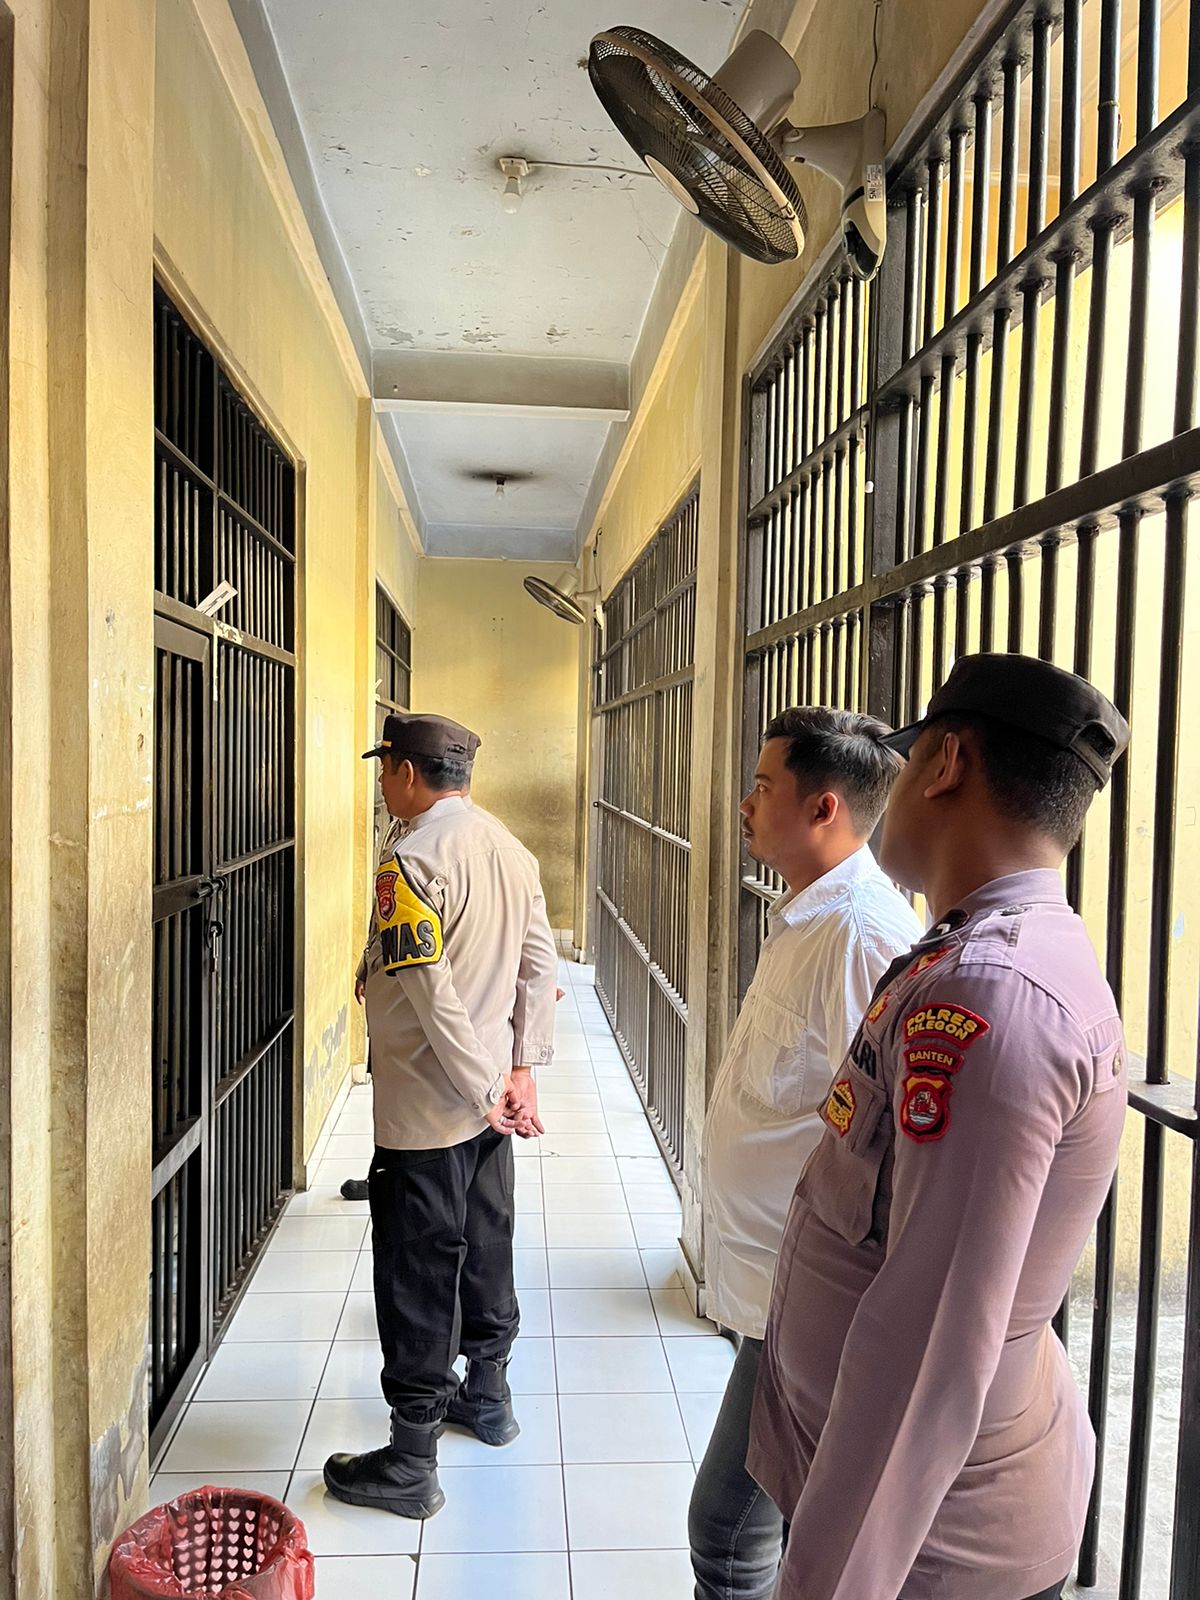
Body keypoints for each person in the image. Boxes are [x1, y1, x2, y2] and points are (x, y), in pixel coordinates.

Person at [748, 654, 1131, 1600]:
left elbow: (927, 1351)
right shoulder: (967, 951)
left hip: (932, 1547)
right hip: (909, 1517)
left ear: (946, 763)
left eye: (909, 758)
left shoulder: (991, 995)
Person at [691, 709, 922, 1600]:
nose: (745, 804)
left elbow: (889, 1140)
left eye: (763, 787)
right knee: (780, 1525)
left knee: (726, 1529)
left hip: (812, 1291)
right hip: (770, 1285)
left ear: (824, 807)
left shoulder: (863, 936)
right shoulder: (806, 917)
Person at [323, 712, 557, 1519]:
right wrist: (520, 1071)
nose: (381, 784)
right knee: (485, 1242)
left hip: (430, 1106)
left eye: (384, 769)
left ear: (407, 772)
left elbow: (430, 991)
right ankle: (487, 1395)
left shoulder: (410, 859)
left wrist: (485, 1085)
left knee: (417, 1269)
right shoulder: (508, 847)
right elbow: (538, 965)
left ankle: (411, 1460)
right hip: (486, 1107)